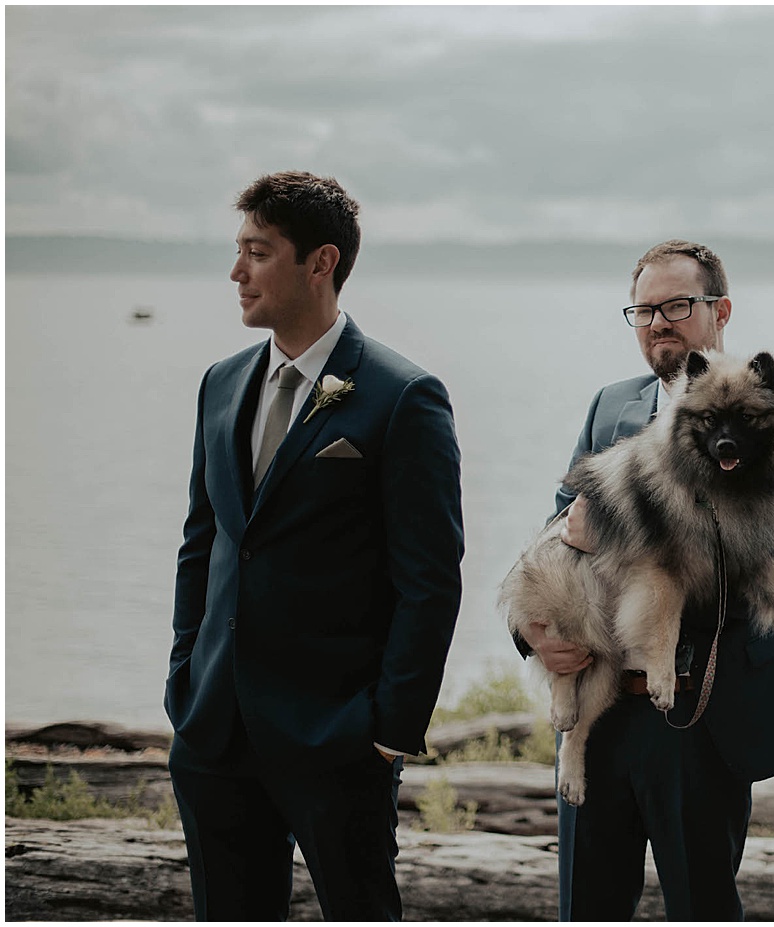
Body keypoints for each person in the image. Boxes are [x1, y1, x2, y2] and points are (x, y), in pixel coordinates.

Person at [166, 171, 463, 920]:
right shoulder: (221, 383)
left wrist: (390, 731)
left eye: (258, 252)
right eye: (239, 250)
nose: (237, 272)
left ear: (320, 263)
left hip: (339, 739)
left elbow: (430, 581)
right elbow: (202, 543)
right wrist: (184, 679)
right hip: (214, 733)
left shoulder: (403, 395)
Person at [514, 239, 774, 920]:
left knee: (701, 907)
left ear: (721, 311)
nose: (658, 323)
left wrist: (619, 542)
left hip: (699, 719)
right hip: (598, 706)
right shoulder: (610, 405)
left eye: (677, 305)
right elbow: (556, 533)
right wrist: (533, 631)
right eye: (644, 310)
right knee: (586, 910)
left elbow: (754, 568)